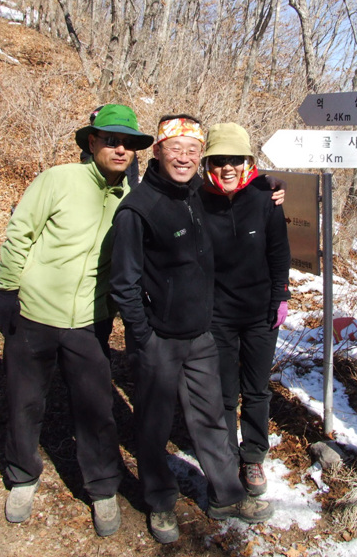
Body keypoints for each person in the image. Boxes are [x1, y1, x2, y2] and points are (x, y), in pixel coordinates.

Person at [109, 114, 275, 544]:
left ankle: (227, 494)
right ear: (158, 151)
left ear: (200, 157)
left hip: (201, 334)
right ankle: (160, 502)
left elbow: (240, 187)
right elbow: (123, 282)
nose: (183, 157)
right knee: (154, 424)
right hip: (159, 339)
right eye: (175, 148)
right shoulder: (138, 208)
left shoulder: (196, 195)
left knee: (211, 420)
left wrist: (273, 186)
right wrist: (143, 335)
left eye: (192, 150)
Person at [0, 104, 154, 536]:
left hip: (90, 320)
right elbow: (20, 231)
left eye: (129, 143)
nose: (120, 149)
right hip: (34, 313)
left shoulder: (132, 200)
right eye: (111, 140)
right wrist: (7, 290)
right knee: (25, 401)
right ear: (92, 142)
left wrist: (264, 189)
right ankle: (23, 476)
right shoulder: (57, 180)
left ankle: (102, 489)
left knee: (96, 407)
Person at [200, 123, 290, 497]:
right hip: (217, 314)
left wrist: (280, 296)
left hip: (259, 314)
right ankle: (223, 455)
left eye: (235, 160)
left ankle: (252, 456)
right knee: (222, 391)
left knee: (256, 390)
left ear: (247, 162)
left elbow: (278, 251)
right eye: (219, 160)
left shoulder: (264, 198)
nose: (227, 168)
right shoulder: (197, 199)